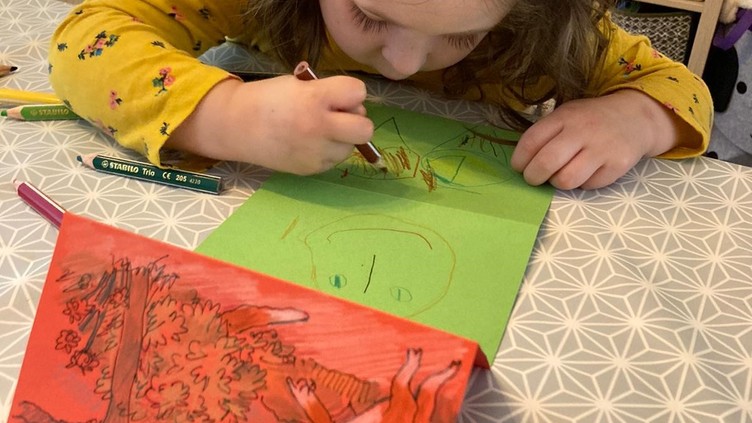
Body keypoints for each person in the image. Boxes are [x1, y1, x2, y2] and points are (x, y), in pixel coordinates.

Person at [48, 0, 712, 190]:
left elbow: (681, 85)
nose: (402, 61)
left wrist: (633, 116)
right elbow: (87, 39)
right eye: (369, 17)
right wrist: (224, 116)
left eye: (462, 35)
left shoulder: (547, 29)